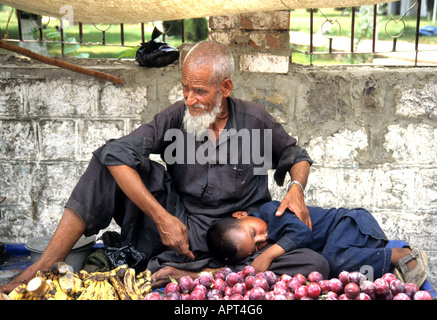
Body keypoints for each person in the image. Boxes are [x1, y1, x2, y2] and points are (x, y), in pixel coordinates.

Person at [0, 40, 328, 293]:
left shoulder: (256, 120)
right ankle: (45, 264)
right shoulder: (175, 118)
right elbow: (115, 153)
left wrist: (296, 189)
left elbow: (297, 156)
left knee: (313, 264)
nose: (189, 98)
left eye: (200, 90)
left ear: (225, 88)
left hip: (242, 239)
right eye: (185, 87)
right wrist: (162, 217)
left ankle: (199, 274)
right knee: (106, 159)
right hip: (182, 229)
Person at [206, 200, 429, 287]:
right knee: (338, 274)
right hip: (350, 245)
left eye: (254, 232)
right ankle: (385, 266)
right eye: (256, 247)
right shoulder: (265, 236)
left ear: (240, 214)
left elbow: (302, 233)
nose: (262, 239)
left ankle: (401, 254)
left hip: (352, 224)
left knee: (331, 262)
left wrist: (267, 255)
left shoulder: (271, 212)